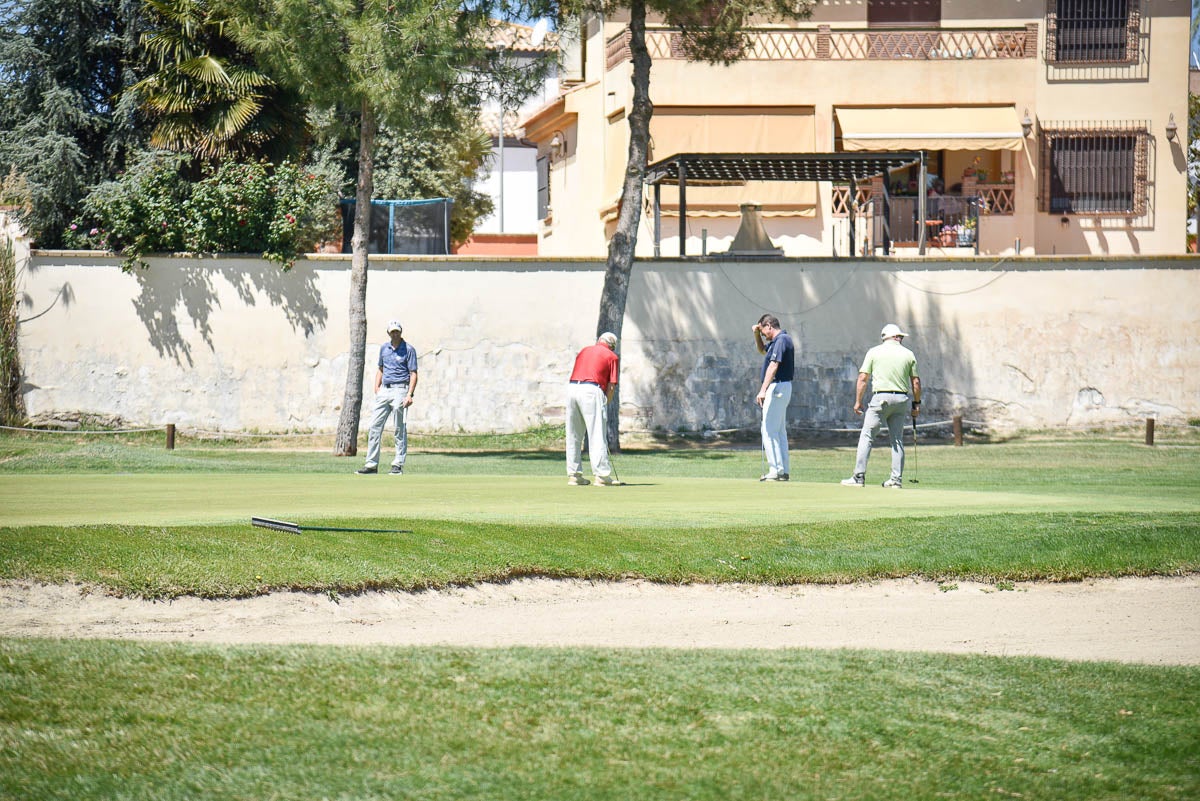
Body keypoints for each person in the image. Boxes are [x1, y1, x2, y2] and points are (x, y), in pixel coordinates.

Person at [841, 323, 921, 488]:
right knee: (897, 440)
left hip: (881, 398)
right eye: (900, 337)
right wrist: (916, 403)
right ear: (896, 337)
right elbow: (916, 382)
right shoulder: (908, 354)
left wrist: (858, 402)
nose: (901, 339)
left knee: (867, 436)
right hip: (901, 399)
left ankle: (858, 476)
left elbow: (863, 378)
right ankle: (896, 480)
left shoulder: (874, 351)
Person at [357, 320, 418, 475]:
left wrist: (409, 394)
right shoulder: (384, 348)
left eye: (397, 331)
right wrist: (376, 387)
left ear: (401, 332)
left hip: (400, 390)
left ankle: (397, 465)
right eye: (392, 331)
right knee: (374, 427)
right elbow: (381, 369)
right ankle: (371, 465)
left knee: (399, 429)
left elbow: (413, 374)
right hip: (385, 390)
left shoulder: (409, 349)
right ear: (388, 333)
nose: (395, 334)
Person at [565, 332, 623, 486]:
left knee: (573, 434)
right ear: (612, 346)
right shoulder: (612, 356)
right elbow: (611, 386)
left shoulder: (584, 350)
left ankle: (574, 475)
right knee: (597, 433)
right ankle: (602, 476)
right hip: (592, 390)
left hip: (572, 388)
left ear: (599, 341)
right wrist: (606, 403)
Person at [752, 314, 794, 482]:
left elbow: (773, 365)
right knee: (779, 430)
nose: (764, 335)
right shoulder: (779, 341)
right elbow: (762, 350)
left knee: (768, 430)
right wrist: (756, 334)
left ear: (769, 326)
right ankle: (782, 470)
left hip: (777, 387)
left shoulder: (781, 340)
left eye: (764, 332)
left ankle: (775, 470)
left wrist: (763, 390)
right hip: (783, 387)